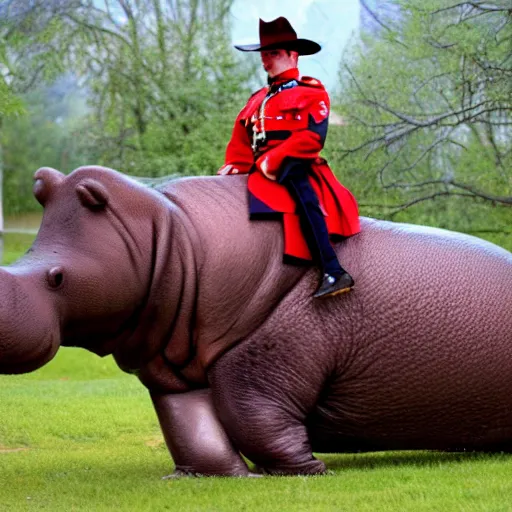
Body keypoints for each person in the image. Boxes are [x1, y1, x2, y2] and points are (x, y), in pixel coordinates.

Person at [218, 17, 360, 299]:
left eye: (273, 54)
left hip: (293, 163)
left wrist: (273, 161)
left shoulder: (311, 92)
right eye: (264, 54)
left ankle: (332, 269)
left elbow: (311, 138)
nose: (265, 61)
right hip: (257, 168)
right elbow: (242, 139)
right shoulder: (257, 98)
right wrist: (235, 164)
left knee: (298, 184)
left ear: (293, 55)